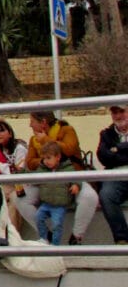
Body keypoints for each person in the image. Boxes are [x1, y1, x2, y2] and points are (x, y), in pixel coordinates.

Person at [16, 111, 97, 244]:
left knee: (90, 197)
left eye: (32, 121)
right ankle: (45, 235)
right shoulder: (33, 140)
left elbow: (69, 149)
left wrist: (46, 141)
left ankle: (76, 237)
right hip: (46, 181)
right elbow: (30, 162)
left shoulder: (67, 130)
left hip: (71, 177)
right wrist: (44, 161)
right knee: (19, 198)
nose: (29, 125)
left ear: (43, 123)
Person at [95, 104, 128, 245]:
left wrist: (118, 148)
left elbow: (110, 156)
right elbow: (103, 157)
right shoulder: (106, 133)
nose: (118, 116)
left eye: (121, 111)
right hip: (116, 176)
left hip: (118, 170)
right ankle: (122, 238)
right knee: (106, 195)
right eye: (114, 112)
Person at [35, 142, 77, 244]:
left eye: (48, 158)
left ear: (58, 157)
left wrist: (76, 185)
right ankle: (44, 240)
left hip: (59, 205)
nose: (45, 161)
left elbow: (77, 178)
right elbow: (35, 177)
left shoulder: (68, 168)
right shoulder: (42, 169)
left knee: (57, 224)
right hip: (46, 203)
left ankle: (55, 246)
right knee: (38, 218)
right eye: (44, 158)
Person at [0, 118, 27, 229]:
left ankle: (13, 234)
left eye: (1, 130)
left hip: (21, 185)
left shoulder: (20, 148)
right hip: (5, 184)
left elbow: (18, 171)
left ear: (10, 133)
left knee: (15, 201)